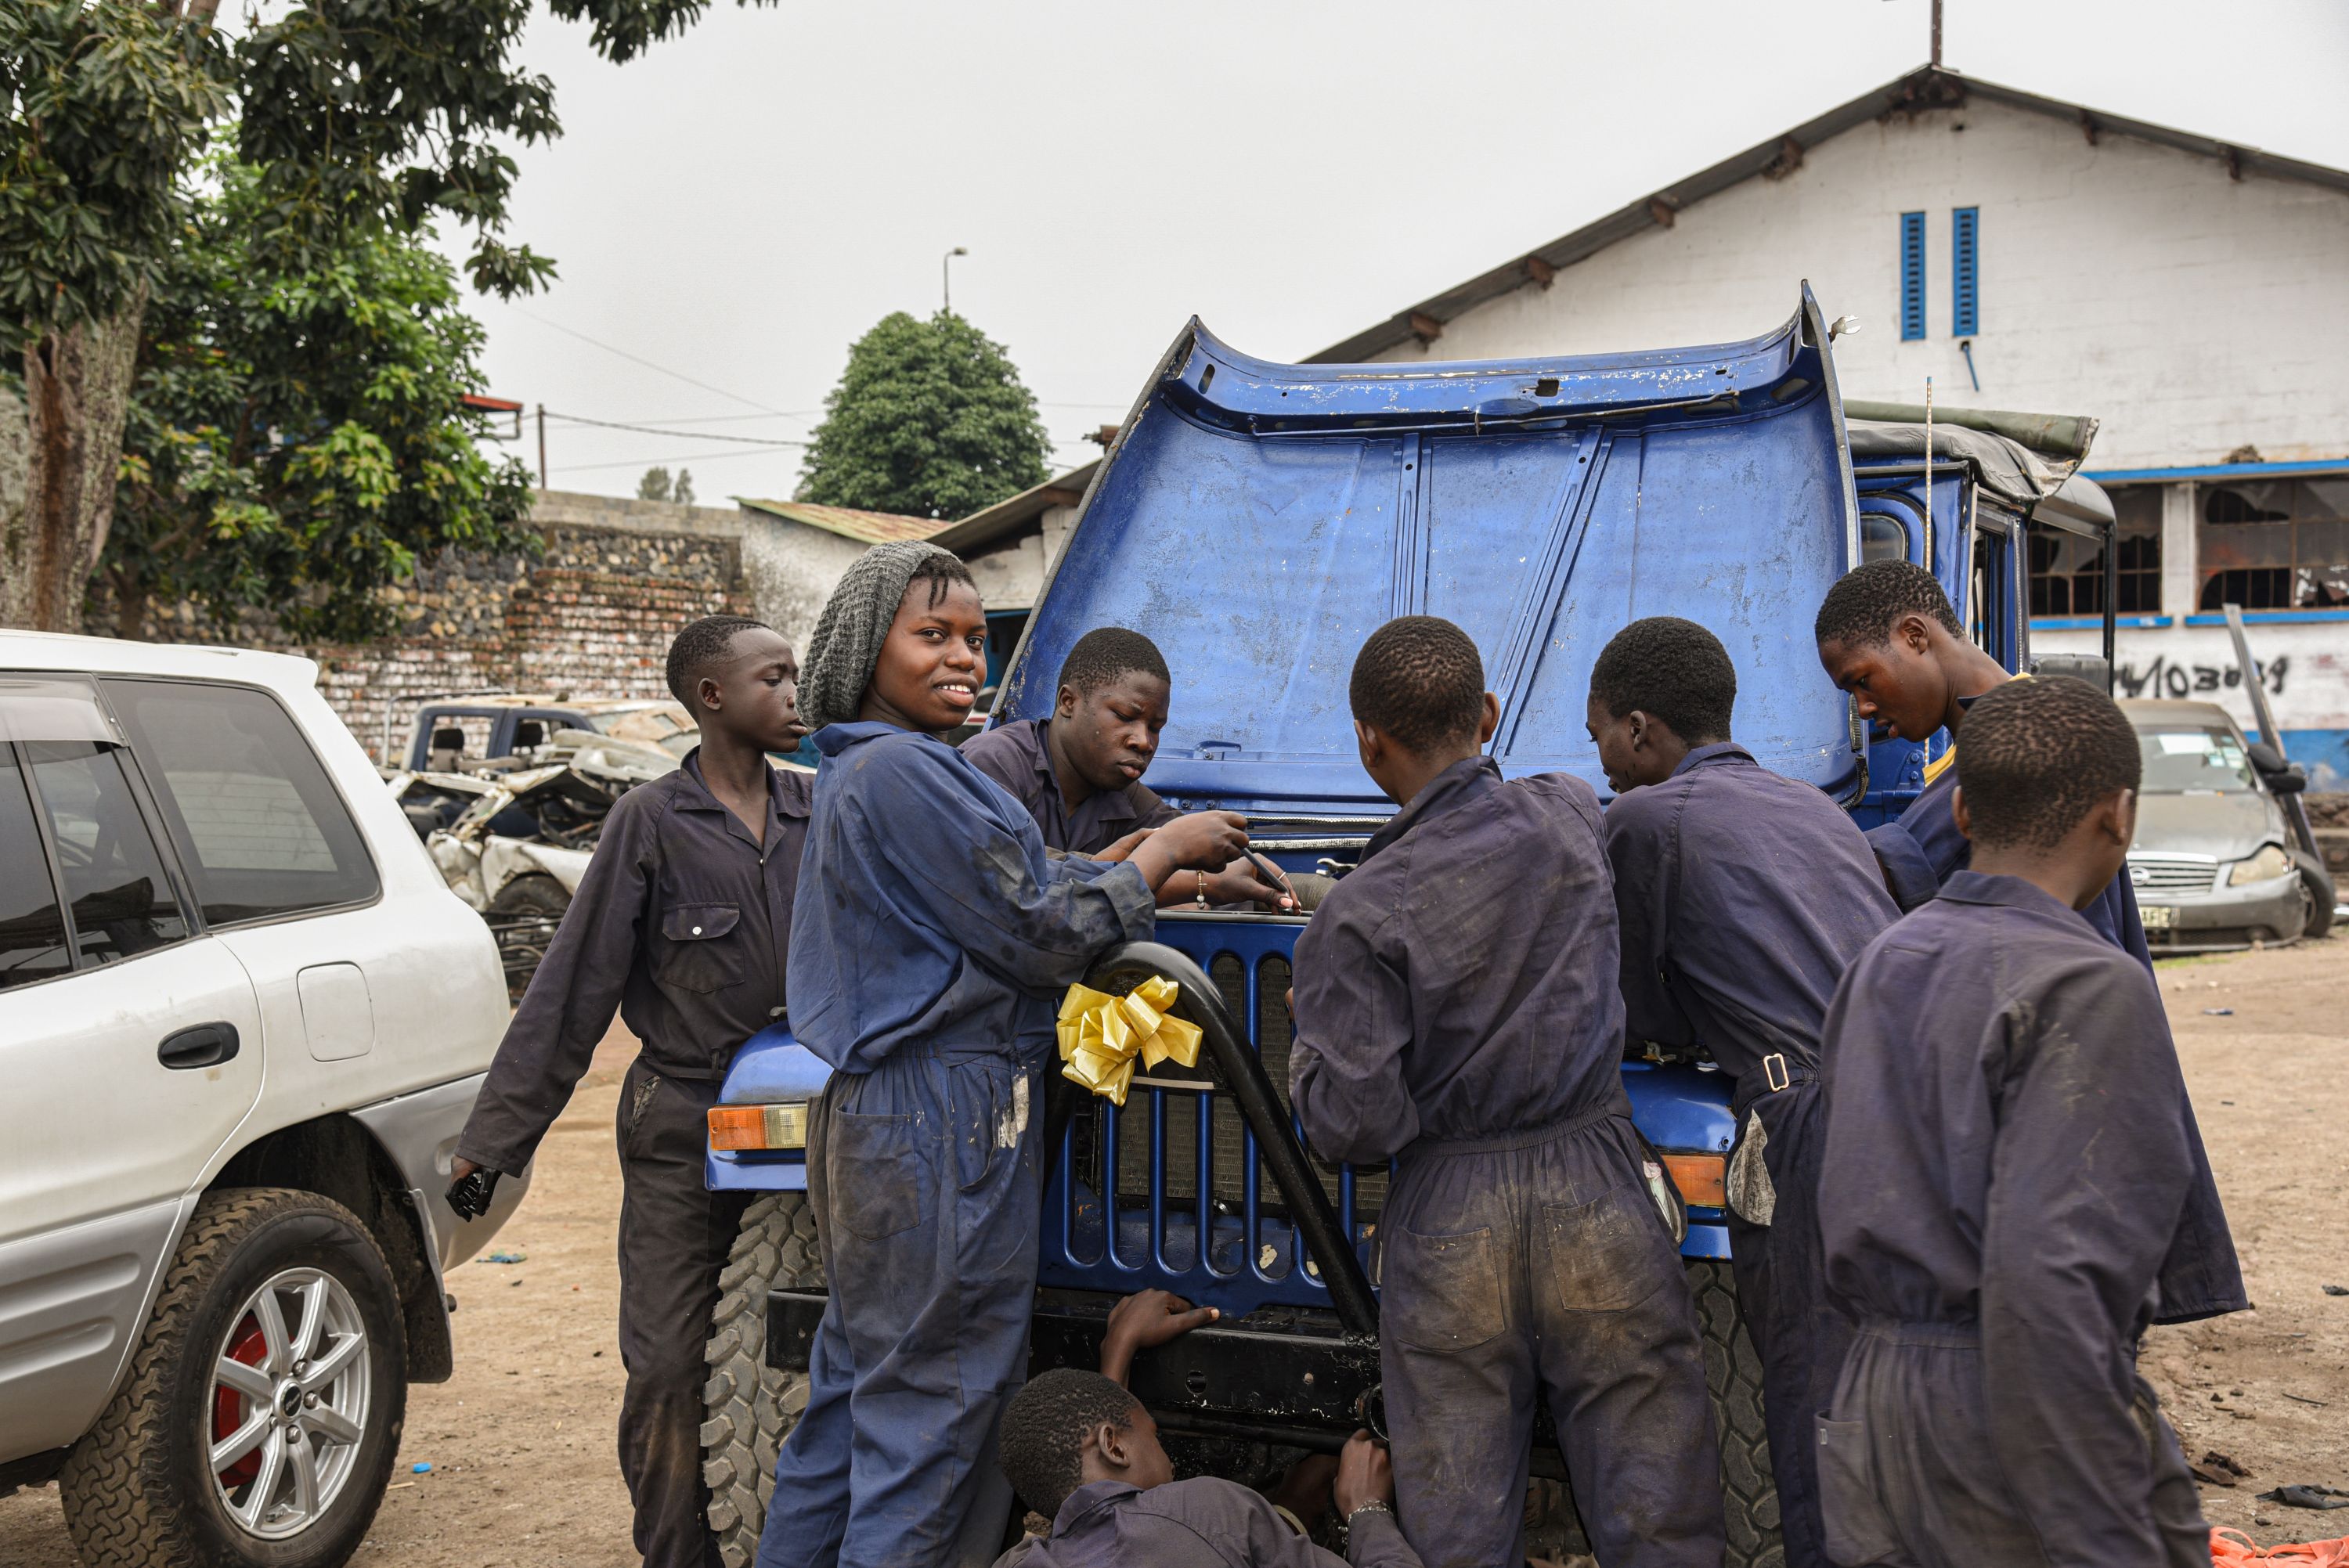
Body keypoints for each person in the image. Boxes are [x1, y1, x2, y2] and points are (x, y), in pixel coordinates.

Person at [753, 541, 1255, 1568]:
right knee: (932, 1422)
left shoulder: (867, 769)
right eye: (931, 634)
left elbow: (1012, 879)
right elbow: (1036, 921)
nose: (963, 658)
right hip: (946, 1117)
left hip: (883, 1118)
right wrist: (1162, 853)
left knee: (852, 1405)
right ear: (866, 644)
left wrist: (1179, 879)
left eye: (976, 638)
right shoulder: (909, 770)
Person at [1286, 615, 1725, 1568]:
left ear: (1368, 740)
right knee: (1658, 1497)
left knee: (1457, 1513)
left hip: (1451, 1220)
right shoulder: (1569, 807)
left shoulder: (1357, 918)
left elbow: (1352, 1126)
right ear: (1487, 713)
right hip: (1597, 1188)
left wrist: (1313, 1045)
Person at [1813, 676, 2215, 1568]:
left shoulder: (1883, 958)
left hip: (1868, 1403)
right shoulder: (2089, 985)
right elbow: (2055, 1289)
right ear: (2118, 814)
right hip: (2008, 1410)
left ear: (1958, 811)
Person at [446, 614, 811, 1568]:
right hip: (683, 1122)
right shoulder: (649, 822)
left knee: (807, 1352)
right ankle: (676, 1554)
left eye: (796, 675)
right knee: (665, 1365)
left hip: (818, 1124)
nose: (793, 693)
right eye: (773, 678)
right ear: (711, 696)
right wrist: (494, 1144)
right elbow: (573, 989)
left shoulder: (823, 809)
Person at [1813, 559, 2244, 1325]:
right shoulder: (2000, 737)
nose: (1864, 706)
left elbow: (1888, 875)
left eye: (1862, 678)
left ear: (1916, 635)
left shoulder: (2014, 754)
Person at [1586, 615, 1897, 1568]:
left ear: (1639, 729)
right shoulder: (1814, 809)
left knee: (1808, 1399)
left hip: (1807, 1121)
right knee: (1885, 1388)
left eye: (1597, 730)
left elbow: (1640, 1008)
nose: (1597, 754)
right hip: (1908, 1107)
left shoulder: (1645, 820)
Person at [992, 1294, 1418, 1568]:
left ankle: (1293, 1508)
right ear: (1114, 1446)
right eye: (1155, 1436)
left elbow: (1100, 1513)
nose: (1170, 1459)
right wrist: (1367, 1510)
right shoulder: (1206, 1509)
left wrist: (1119, 1348)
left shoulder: (1018, 1562)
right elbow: (1179, 1524)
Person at [962, 625, 1291, 908]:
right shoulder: (994, 764)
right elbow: (1018, 878)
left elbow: (1202, 860)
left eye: (1156, 727)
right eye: (1124, 717)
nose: (1144, 741)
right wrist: (1202, 884)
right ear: (1068, 702)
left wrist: (1258, 873)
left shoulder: (1130, 801)